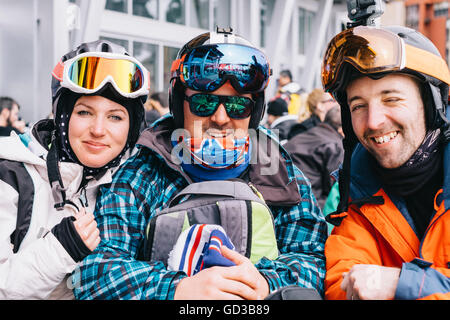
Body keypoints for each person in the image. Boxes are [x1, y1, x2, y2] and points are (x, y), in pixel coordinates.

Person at [73, 29, 327, 300]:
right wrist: (178, 289)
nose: (220, 118)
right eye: (203, 103)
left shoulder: (280, 173)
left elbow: (315, 260)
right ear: (178, 104)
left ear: (255, 113)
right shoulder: (143, 172)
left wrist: (263, 282)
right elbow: (96, 273)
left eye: (238, 106)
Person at [0, 40, 149, 299]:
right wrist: (62, 247)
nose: (99, 130)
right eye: (84, 112)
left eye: (115, 116)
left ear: (131, 129)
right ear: (63, 116)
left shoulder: (130, 185)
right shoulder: (11, 175)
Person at [322, 25, 450, 300]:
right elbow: (341, 283)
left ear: (431, 104)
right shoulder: (359, 194)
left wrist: (406, 285)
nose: (373, 121)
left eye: (391, 99)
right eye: (358, 106)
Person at [284, 106, 344, 209]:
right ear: (341, 129)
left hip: (282, 196)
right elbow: (335, 186)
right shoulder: (335, 145)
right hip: (308, 203)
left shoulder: (309, 133)